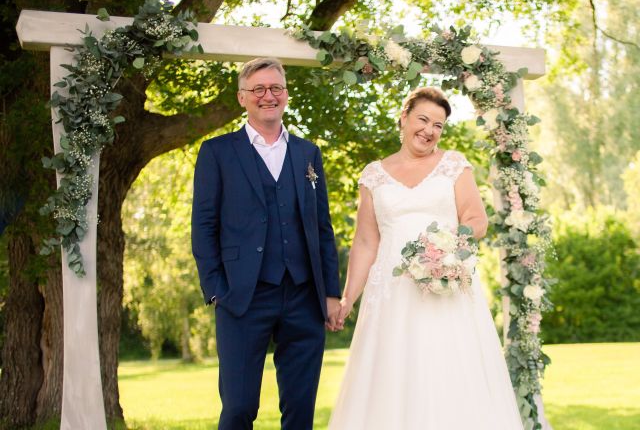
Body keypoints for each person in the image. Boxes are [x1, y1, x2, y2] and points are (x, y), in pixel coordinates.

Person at [328, 87, 524, 429]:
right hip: (391, 294)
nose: (429, 130)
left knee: (448, 366)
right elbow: (364, 242)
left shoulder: (453, 165)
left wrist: (446, 247)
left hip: (445, 286)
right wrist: (348, 298)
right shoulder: (373, 174)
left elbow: (477, 220)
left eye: (439, 125)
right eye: (423, 119)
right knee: (392, 372)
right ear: (403, 118)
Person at [191, 57, 342, 430]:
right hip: (242, 296)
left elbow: (322, 227)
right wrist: (215, 290)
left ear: (286, 95)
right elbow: (203, 225)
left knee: (300, 408)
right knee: (239, 407)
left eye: (275, 88)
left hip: (304, 295)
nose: (268, 95)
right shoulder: (217, 152)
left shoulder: (308, 153)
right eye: (258, 89)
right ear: (243, 97)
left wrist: (331, 292)